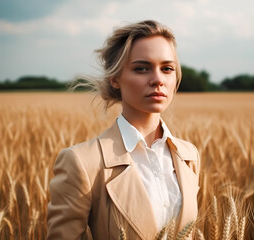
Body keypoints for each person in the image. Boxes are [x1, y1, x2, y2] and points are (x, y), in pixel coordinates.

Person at [46, 20, 200, 240]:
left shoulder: (189, 156)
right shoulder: (82, 162)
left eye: (167, 68)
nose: (158, 80)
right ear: (115, 79)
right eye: (141, 69)